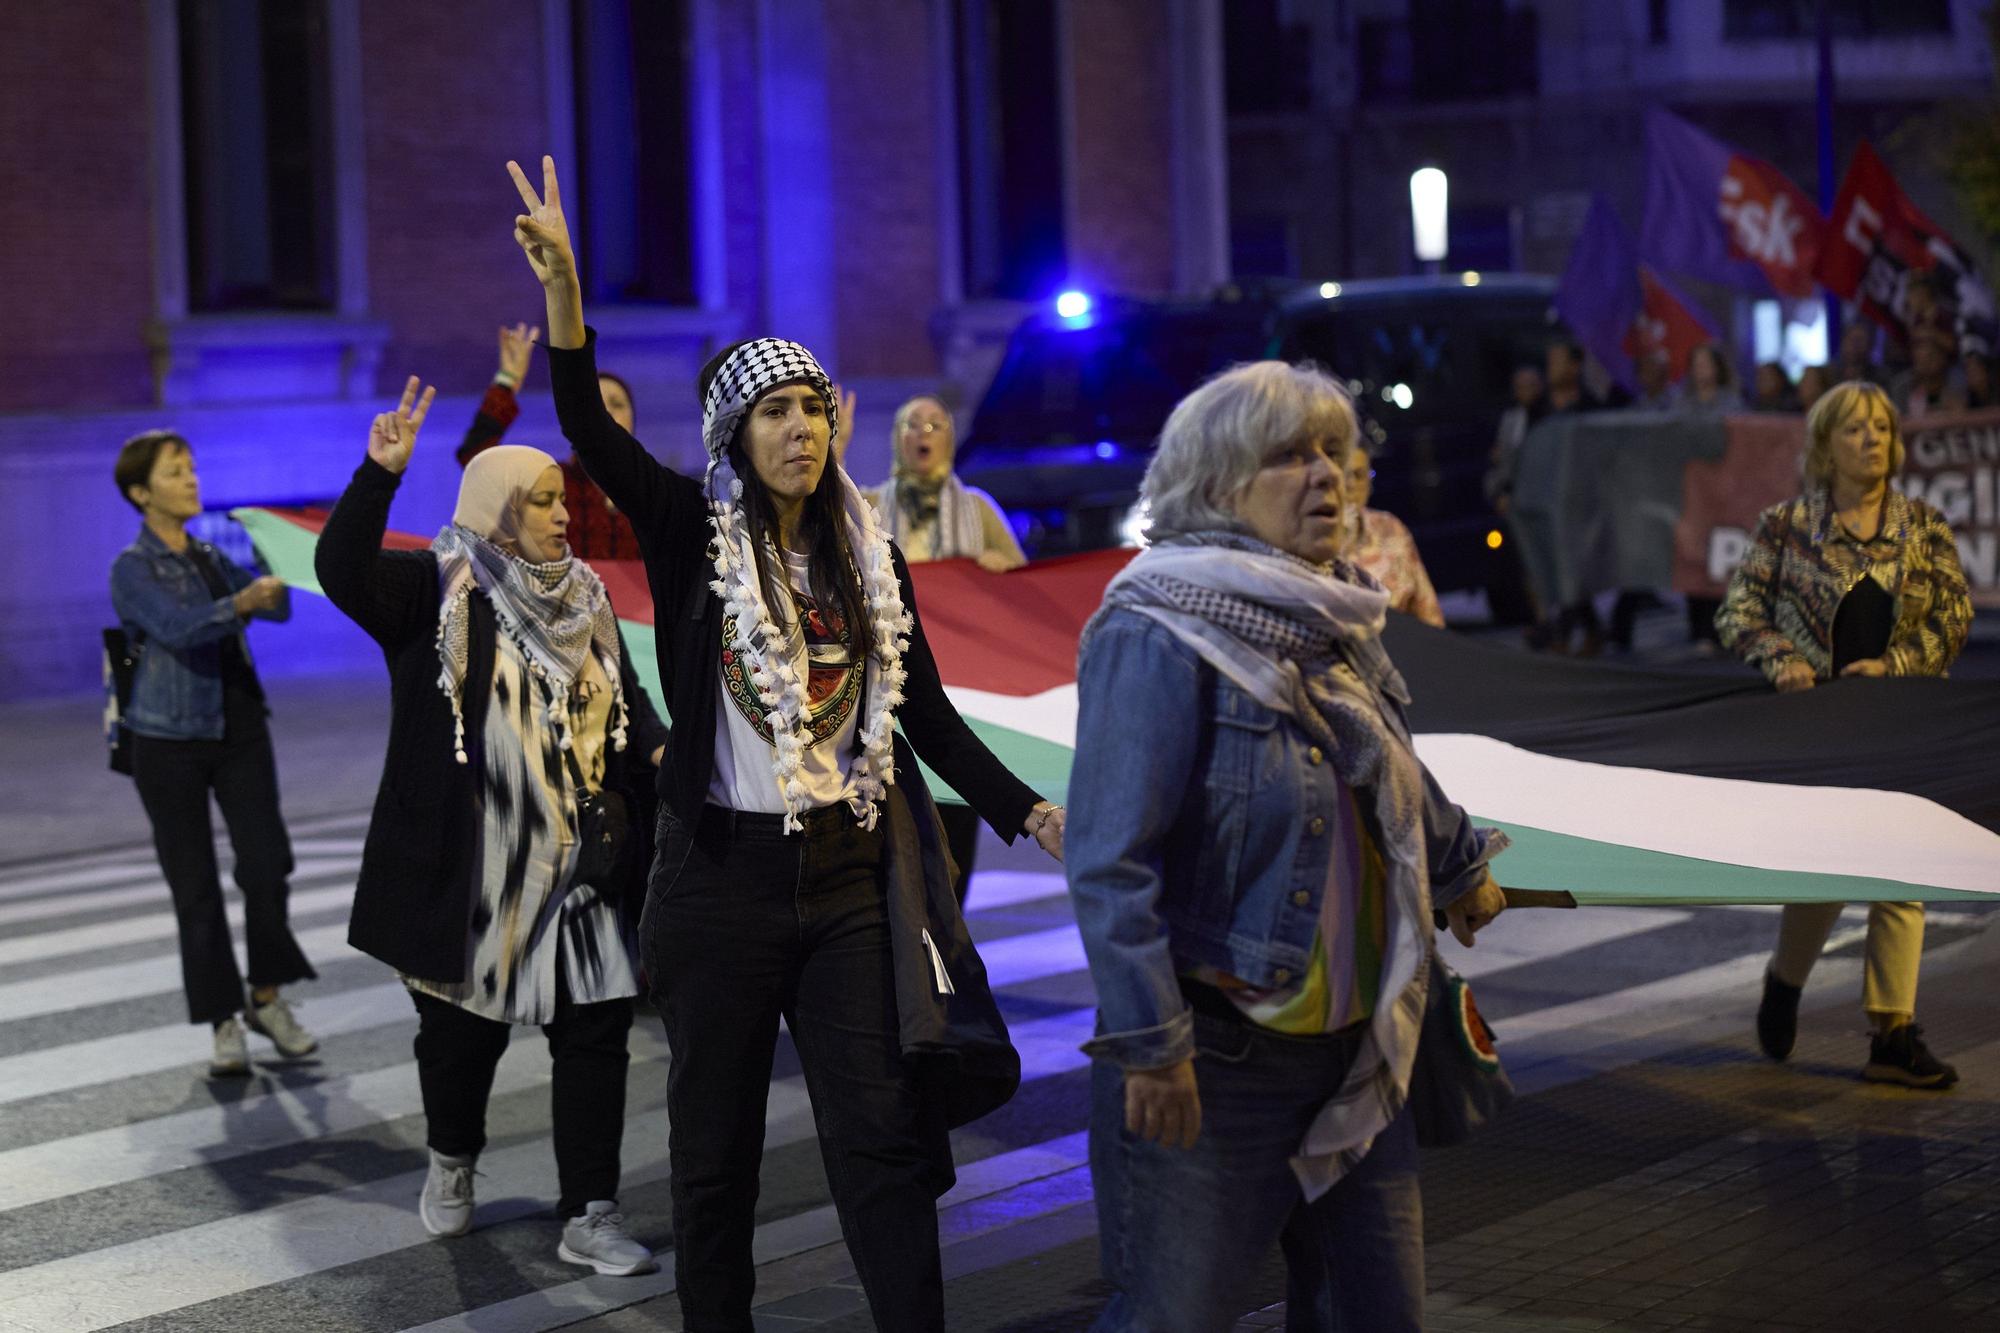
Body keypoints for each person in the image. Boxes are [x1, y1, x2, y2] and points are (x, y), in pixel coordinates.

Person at [508, 154, 1066, 1331]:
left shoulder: (870, 557)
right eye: (776, 410)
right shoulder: (689, 535)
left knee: (880, 1140)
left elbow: (925, 715)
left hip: (848, 879)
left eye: (813, 407)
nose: (801, 428)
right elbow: (587, 435)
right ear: (734, 432)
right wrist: (567, 297)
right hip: (719, 884)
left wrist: (1027, 810)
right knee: (717, 1160)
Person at [1065, 360, 1509, 1332]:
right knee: (1168, 1317)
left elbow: (1383, 760)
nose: (1325, 476)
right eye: (1287, 457)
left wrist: (1457, 863)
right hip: (1217, 1058)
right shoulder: (1155, 628)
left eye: (1331, 453)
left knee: (1376, 1314)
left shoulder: (1334, 611)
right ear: (1218, 485)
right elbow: (1109, 861)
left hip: (1359, 1046)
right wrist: (1149, 1048)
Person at [316, 381, 669, 1274]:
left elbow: (629, 709)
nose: (563, 514)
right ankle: (453, 1157)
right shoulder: (431, 589)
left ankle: (590, 1209)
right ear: (498, 509)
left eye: (561, 497)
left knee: (595, 1039)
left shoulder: (588, 598)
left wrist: (667, 759)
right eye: (543, 500)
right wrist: (377, 475)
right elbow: (341, 571)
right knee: (459, 1041)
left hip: (584, 868)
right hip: (475, 874)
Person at [1716, 381, 1972, 1090]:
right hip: (1818, 731)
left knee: (1902, 869)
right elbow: (1737, 614)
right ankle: (1785, 980)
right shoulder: (1785, 526)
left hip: (1901, 722)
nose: (1874, 439)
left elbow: (1952, 618)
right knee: (1826, 870)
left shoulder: (1924, 526)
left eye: (1883, 428)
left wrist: (1894, 665)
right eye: (1857, 429)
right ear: (1825, 445)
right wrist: (1782, 657)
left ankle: (1892, 1031)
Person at [109, 430, 318, 1078]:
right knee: (193, 883)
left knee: (266, 861)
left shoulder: (206, 551)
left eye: (193, 467)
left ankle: (266, 996)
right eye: (176, 471)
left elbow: (274, 610)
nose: (192, 479)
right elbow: (177, 627)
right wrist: (241, 601)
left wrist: (270, 561)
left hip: (239, 724)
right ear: (142, 493)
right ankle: (224, 1018)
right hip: (166, 738)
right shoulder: (132, 566)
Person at [456, 320, 645, 560]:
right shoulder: (551, 481)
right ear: (575, 418)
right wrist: (506, 383)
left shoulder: (654, 490)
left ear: (633, 421)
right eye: (595, 405)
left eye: (616, 404)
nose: (605, 413)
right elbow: (476, 459)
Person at [854, 394, 1027, 572]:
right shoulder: (870, 505)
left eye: (935, 425)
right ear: (898, 439)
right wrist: (837, 451)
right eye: (913, 425)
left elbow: (1023, 573)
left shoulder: (979, 507)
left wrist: (1004, 566)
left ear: (949, 440)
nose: (924, 432)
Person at [1341, 439, 1444, 627]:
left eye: (1359, 475)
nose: (1350, 485)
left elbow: (1427, 608)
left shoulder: (1390, 529)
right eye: (1344, 475)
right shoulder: (1314, 540)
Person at [1891, 330, 1968, 420]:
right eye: (1920, 359)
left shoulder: (1956, 381)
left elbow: (1960, 417)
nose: (1925, 364)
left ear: (1943, 358)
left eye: (1930, 358)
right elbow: (1898, 422)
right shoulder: (1902, 385)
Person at [1682, 343, 1744, 415]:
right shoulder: (1681, 401)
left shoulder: (1731, 402)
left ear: (1717, 368)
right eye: (1696, 364)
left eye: (1704, 364)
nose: (1699, 368)